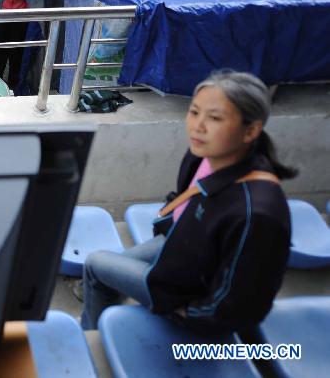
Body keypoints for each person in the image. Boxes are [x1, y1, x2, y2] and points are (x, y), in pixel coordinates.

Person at [81, 71, 294, 334]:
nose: (198, 126)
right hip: (181, 251)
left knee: (95, 265)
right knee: (107, 271)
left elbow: (242, 305)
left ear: (250, 130)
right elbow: (184, 203)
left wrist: (186, 312)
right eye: (194, 112)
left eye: (215, 118)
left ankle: (91, 341)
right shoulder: (203, 155)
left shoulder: (257, 214)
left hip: (188, 297)